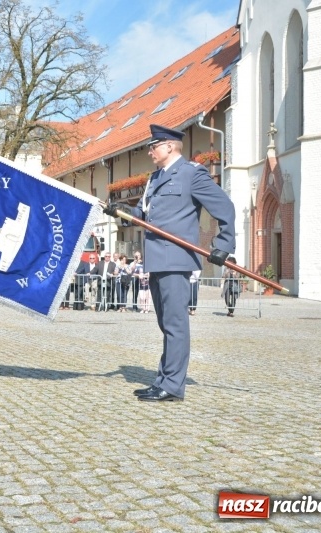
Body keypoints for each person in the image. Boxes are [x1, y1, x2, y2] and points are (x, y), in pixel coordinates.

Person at [104, 124, 236, 402]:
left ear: (170, 146)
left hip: (176, 259)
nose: (150, 151)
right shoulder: (154, 179)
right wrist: (124, 211)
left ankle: (173, 386)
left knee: (176, 324)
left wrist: (223, 246)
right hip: (155, 259)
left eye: (154, 146)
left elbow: (225, 207)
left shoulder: (191, 174)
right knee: (166, 323)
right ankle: (164, 378)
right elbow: (144, 213)